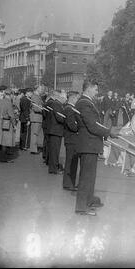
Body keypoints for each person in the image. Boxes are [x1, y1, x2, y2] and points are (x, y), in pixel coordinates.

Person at [75, 80, 119, 216]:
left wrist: (106, 132)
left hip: (90, 144)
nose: (97, 92)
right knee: (86, 177)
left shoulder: (86, 102)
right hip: (88, 144)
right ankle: (82, 207)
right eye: (95, 90)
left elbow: (94, 123)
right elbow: (92, 125)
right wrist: (108, 132)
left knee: (90, 176)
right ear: (88, 89)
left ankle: (89, 200)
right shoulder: (84, 103)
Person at [62, 91, 80, 191]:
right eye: (77, 98)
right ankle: (68, 184)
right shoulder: (69, 109)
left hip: (72, 139)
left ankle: (71, 183)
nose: (78, 100)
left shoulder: (70, 108)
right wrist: (80, 127)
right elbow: (72, 125)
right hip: (71, 139)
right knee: (70, 162)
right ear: (72, 98)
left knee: (73, 162)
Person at [0, 89, 16, 163]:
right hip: (6, 123)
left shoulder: (0, 101)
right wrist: (14, 124)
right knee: (6, 141)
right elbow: (11, 115)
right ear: (10, 95)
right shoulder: (8, 102)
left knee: (0, 140)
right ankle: (4, 158)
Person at [47, 90, 65, 175]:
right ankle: (54, 169)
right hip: (55, 130)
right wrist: (66, 119)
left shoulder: (57, 104)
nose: (65, 100)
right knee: (54, 151)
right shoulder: (57, 104)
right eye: (64, 98)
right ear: (60, 97)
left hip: (55, 130)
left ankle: (54, 167)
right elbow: (59, 117)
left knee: (55, 150)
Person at [29, 85, 45, 154]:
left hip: (38, 118)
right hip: (36, 118)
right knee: (34, 134)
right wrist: (43, 109)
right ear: (37, 89)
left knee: (36, 134)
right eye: (41, 89)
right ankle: (33, 149)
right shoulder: (35, 97)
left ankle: (34, 148)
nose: (42, 90)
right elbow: (36, 108)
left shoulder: (38, 96)